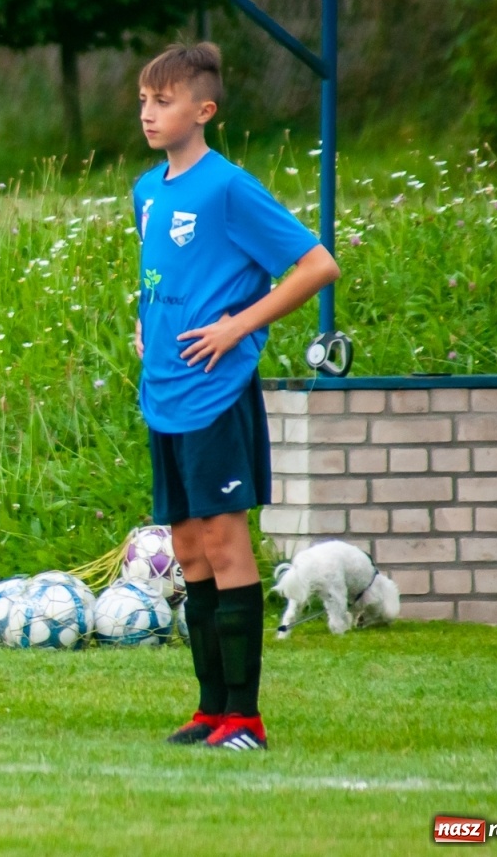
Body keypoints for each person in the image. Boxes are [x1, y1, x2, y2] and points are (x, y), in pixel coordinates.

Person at [131, 43, 339, 752]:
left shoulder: (228, 187)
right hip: (164, 391)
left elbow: (317, 264)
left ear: (204, 110)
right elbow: (161, 274)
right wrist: (144, 325)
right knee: (187, 547)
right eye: (143, 100)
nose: (149, 113)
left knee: (224, 540)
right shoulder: (147, 190)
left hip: (216, 393)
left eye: (164, 101)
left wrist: (238, 326)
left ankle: (246, 719)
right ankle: (211, 709)